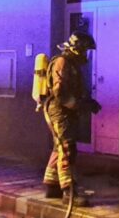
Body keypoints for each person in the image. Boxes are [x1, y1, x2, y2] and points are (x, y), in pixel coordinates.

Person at [42, 30, 102, 207]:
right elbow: (60, 94)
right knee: (67, 148)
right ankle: (69, 192)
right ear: (78, 49)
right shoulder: (63, 62)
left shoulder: (72, 64)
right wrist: (80, 105)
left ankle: (51, 186)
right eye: (85, 50)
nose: (87, 55)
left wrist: (88, 102)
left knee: (58, 147)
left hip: (64, 109)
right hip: (59, 110)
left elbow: (74, 91)